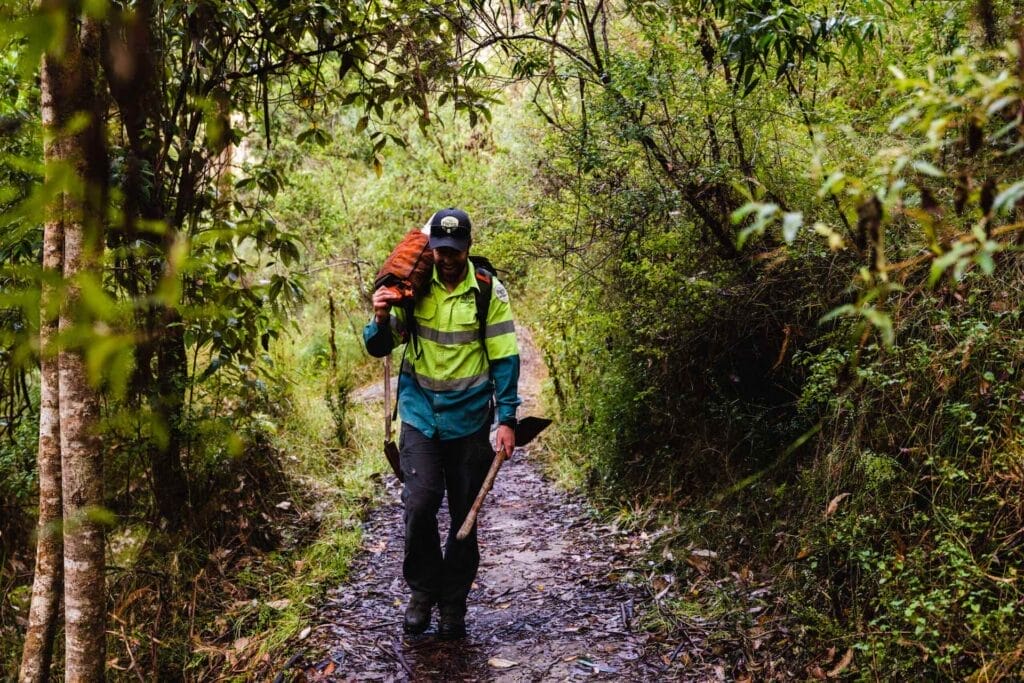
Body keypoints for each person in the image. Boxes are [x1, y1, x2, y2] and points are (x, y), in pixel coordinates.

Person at [363, 207, 521, 639]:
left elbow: (506, 358)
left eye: (454, 250)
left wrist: (507, 419)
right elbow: (379, 347)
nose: (447, 258)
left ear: (467, 247)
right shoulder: (411, 287)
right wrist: (379, 316)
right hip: (420, 417)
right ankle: (422, 592)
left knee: (464, 518)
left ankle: (453, 604)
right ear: (431, 248)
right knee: (419, 505)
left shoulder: (488, 291)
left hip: (469, 421)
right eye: (440, 250)